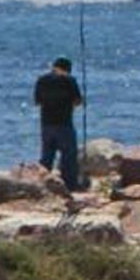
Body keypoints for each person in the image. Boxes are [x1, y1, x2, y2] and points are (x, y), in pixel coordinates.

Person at [33, 56, 83, 191]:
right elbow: (78, 101)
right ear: (68, 69)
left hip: (46, 124)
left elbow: (37, 102)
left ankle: (42, 186)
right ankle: (70, 186)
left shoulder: (41, 80)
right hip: (64, 124)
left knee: (46, 157)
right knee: (69, 156)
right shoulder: (69, 80)